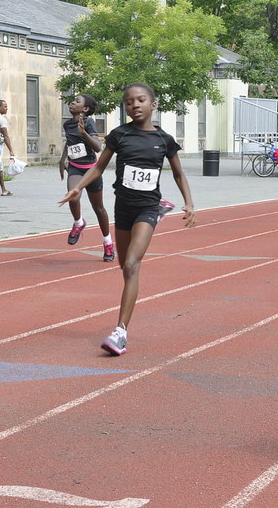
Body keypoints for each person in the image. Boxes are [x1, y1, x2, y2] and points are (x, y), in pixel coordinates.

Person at [58, 83, 196, 356]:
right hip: (124, 208)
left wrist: (189, 202)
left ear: (153, 104)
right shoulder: (119, 135)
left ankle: (120, 331)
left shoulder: (164, 140)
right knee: (124, 266)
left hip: (146, 208)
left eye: (141, 100)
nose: (135, 105)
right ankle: (122, 325)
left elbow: (179, 174)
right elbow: (99, 166)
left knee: (132, 264)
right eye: (129, 101)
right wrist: (78, 187)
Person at [59, 94, 114, 262]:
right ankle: (78, 222)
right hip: (75, 167)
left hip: (91, 170)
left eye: (77, 101)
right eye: (72, 100)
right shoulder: (67, 124)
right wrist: (62, 159)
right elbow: (70, 143)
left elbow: (98, 147)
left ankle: (108, 242)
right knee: (73, 196)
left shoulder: (89, 122)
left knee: (98, 208)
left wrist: (84, 133)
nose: (72, 103)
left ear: (85, 109)